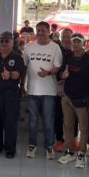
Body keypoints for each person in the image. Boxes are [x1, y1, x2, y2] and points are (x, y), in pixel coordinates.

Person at [56, 33, 89, 169]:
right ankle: (69, 151)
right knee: (67, 125)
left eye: (78, 41)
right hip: (67, 97)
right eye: (73, 41)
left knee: (83, 128)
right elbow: (61, 73)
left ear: (84, 43)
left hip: (82, 98)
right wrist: (63, 75)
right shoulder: (67, 56)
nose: (75, 44)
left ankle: (81, 153)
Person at [23, 21, 63, 160]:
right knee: (33, 120)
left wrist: (48, 73)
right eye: (38, 30)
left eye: (43, 30)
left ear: (48, 32)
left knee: (48, 120)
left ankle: (49, 147)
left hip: (49, 91)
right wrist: (23, 85)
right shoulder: (29, 46)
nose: (40, 33)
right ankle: (32, 145)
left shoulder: (55, 47)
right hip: (32, 89)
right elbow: (24, 66)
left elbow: (57, 67)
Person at [0, 31, 25, 158]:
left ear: (12, 42)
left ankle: (9, 150)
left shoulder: (17, 57)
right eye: (1, 40)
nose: (4, 43)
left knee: (10, 123)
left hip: (9, 96)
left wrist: (10, 74)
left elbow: (18, 74)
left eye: (7, 40)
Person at [54, 28, 73, 152]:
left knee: (73, 116)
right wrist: (61, 76)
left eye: (68, 37)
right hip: (59, 89)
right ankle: (59, 140)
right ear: (61, 38)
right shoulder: (56, 51)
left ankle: (73, 139)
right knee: (59, 115)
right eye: (64, 37)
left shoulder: (77, 52)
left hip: (74, 90)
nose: (66, 39)